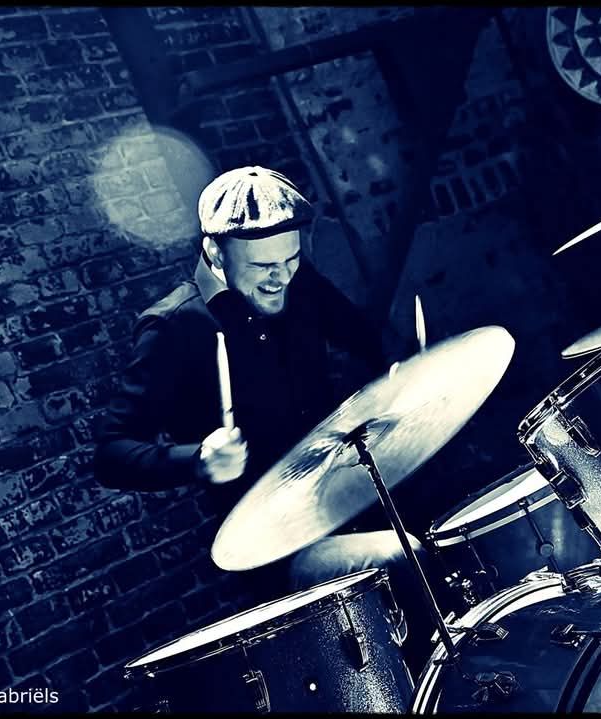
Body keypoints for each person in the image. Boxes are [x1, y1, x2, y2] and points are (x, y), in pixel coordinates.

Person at [93, 166, 434, 667]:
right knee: (403, 558)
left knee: (446, 528)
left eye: (291, 259)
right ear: (215, 253)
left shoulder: (300, 284)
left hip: (348, 496)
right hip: (277, 546)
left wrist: (402, 368)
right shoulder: (174, 328)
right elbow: (110, 452)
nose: (281, 278)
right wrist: (197, 459)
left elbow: (365, 336)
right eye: (262, 266)